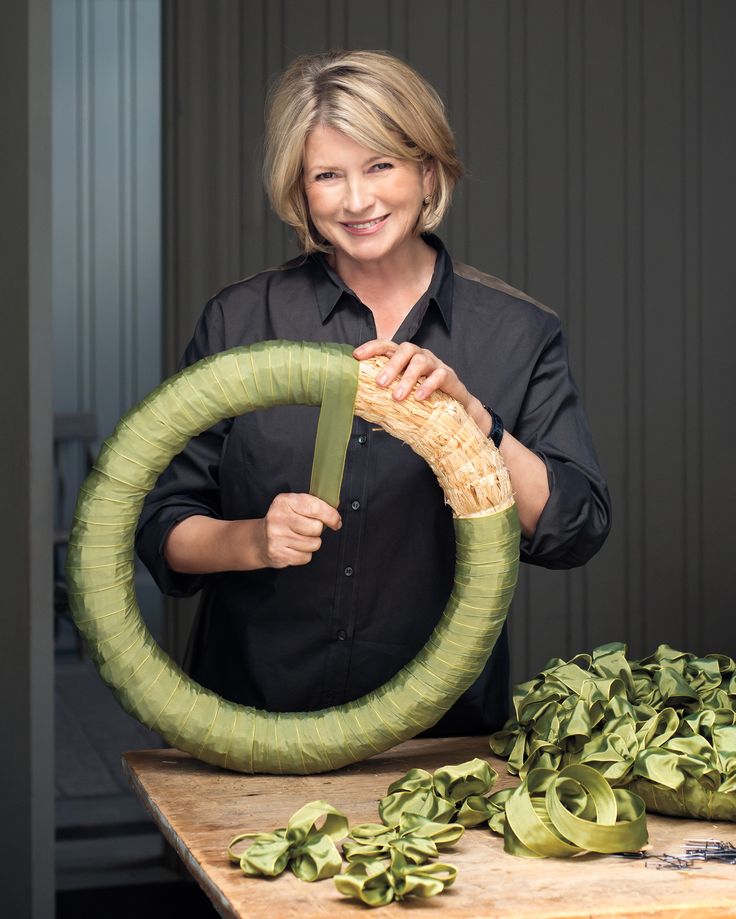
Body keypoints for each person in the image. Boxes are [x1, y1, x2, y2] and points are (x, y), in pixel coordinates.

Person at [136, 50, 610, 735]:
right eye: (328, 175)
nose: (357, 201)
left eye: (380, 165)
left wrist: (477, 421)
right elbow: (163, 525)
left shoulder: (518, 333)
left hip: (439, 748)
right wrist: (254, 540)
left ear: (427, 170)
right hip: (248, 727)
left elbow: (577, 527)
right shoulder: (240, 320)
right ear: (300, 191)